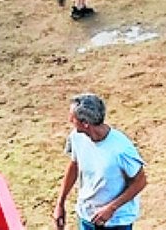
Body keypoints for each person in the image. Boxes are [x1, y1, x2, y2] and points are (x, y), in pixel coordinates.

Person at [52, 93, 147, 230]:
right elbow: (74, 165)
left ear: (85, 124)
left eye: (72, 117)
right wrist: (60, 204)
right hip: (86, 216)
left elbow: (140, 182)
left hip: (116, 222)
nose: (69, 120)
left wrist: (111, 208)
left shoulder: (121, 149)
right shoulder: (76, 137)